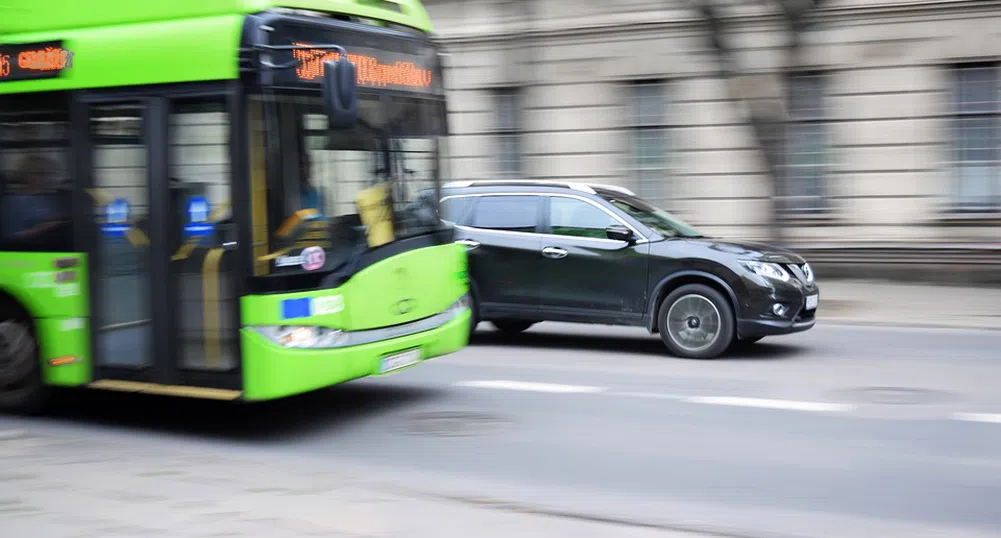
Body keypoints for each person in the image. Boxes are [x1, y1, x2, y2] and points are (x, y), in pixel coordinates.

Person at [1, 154, 67, 246]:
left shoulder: (55, 198)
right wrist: (40, 229)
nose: (52, 178)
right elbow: (9, 238)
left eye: (54, 173)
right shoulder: (13, 202)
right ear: (28, 176)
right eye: (44, 174)